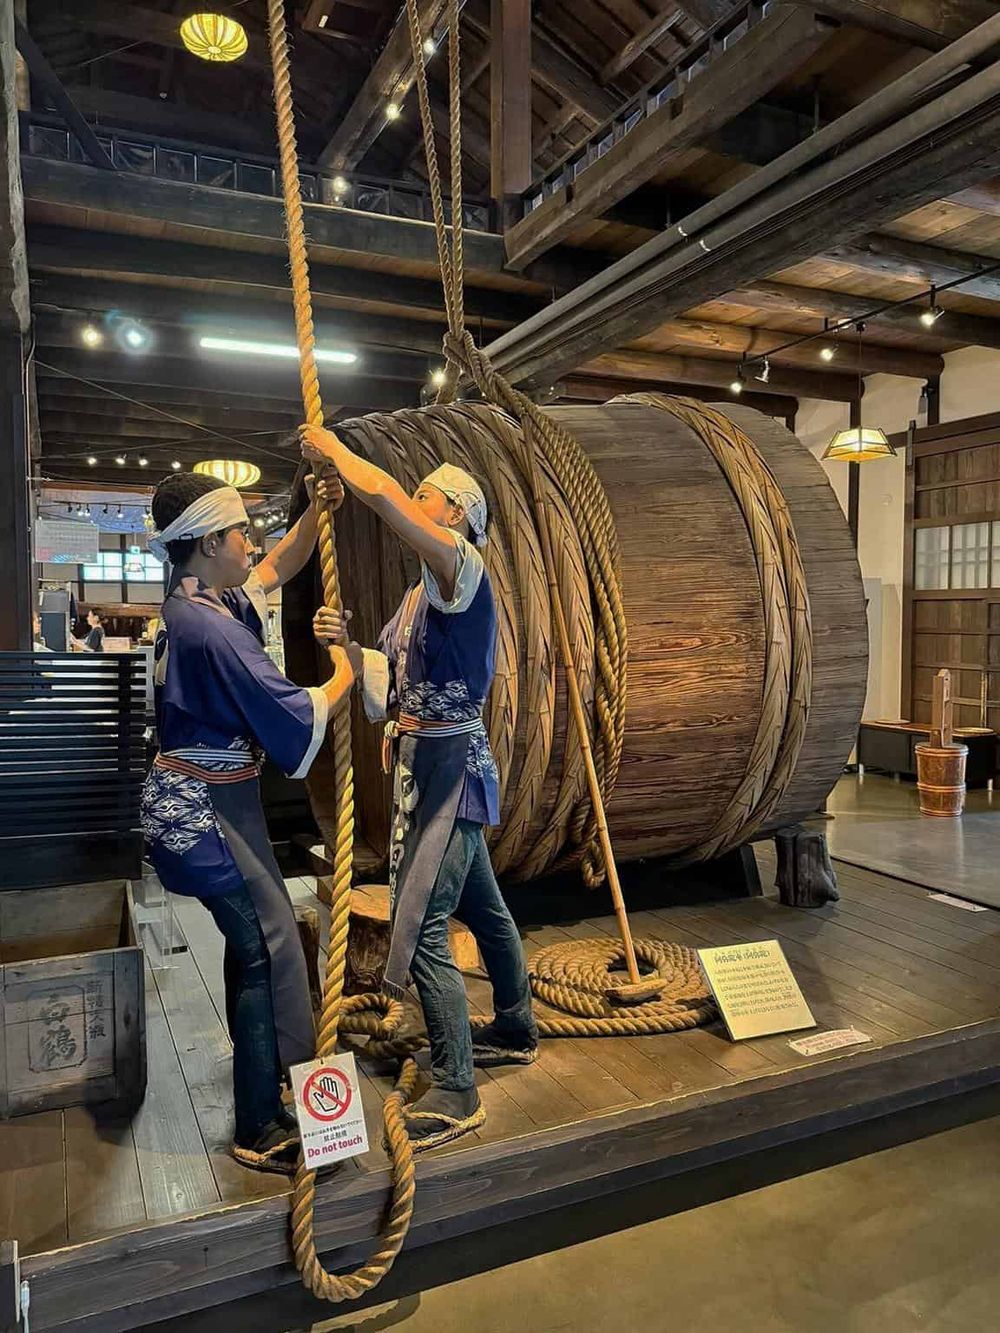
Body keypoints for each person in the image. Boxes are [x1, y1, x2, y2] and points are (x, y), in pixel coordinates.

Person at [302, 424, 537, 1155]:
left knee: (425, 923)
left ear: (457, 513)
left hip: (450, 772)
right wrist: (345, 645)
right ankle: (517, 1026)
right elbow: (390, 676)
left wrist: (338, 454)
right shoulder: (421, 595)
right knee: (483, 906)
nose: (415, 500)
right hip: (428, 765)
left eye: (427, 495)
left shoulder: (461, 569)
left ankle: (458, 1086)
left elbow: (383, 497)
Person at [141, 470, 354, 1174]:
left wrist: (314, 507)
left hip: (208, 804)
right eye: (240, 532)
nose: (251, 542)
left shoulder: (198, 600)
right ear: (208, 542)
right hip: (205, 814)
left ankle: (265, 1090)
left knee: (254, 947)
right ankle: (260, 1121)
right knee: (264, 947)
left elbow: (277, 566)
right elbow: (292, 713)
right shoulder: (210, 629)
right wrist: (346, 671)